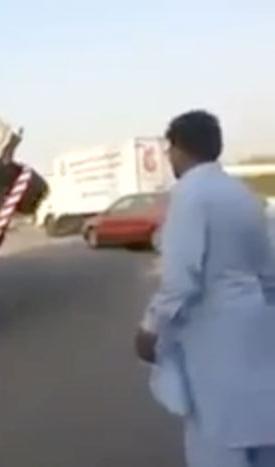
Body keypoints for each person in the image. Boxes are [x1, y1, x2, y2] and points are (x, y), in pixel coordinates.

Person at [134, 110, 275, 467]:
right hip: (257, 329)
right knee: (260, 429)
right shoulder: (243, 195)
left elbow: (180, 278)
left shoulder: (190, 195)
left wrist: (151, 328)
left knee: (217, 437)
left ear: (179, 148)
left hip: (214, 336)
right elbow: (269, 272)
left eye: (170, 150)